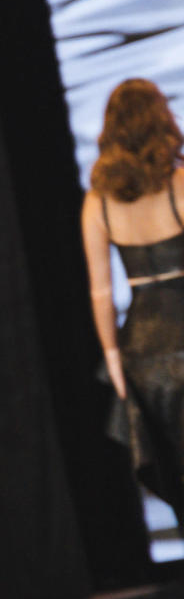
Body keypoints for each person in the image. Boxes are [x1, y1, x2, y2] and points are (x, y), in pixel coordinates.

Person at [82, 79, 184, 522]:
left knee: (176, 471)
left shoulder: (98, 204)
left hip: (143, 356)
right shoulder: (180, 184)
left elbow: (101, 291)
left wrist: (113, 359)